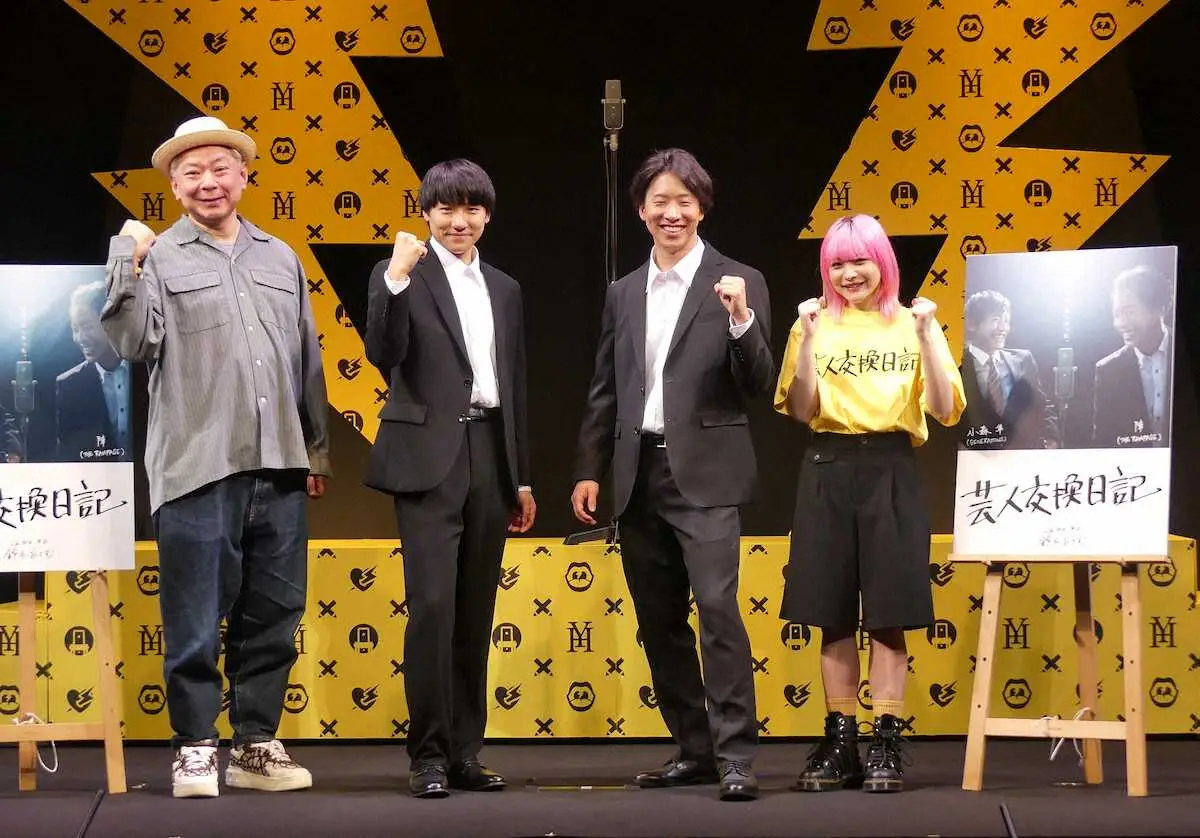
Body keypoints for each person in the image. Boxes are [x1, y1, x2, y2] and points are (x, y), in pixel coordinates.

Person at [101, 116, 330, 799]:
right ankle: (195, 746)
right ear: (174, 186)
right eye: (192, 172)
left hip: (280, 461)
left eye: (220, 168)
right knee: (195, 619)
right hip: (196, 465)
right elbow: (130, 344)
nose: (209, 182)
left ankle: (255, 744)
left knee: (273, 616)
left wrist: (315, 452)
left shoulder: (280, 257)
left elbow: (308, 361)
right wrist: (125, 259)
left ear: (244, 175)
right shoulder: (158, 257)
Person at [572, 148, 773, 802]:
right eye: (659, 201)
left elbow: (759, 383)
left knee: (717, 611)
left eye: (684, 201)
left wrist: (740, 319)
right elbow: (605, 387)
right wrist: (589, 468)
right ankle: (695, 748)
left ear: (701, 208)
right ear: (641, 210)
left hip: (707, 473)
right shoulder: (624, 291)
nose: (671, 212)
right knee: (659, 621)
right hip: (638, 474)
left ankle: (736, 754)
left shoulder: (739, 280)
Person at [363, 159, 536, 799]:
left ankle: (466, 752)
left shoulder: (505, 287)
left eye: (471, 210)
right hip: (428, 455)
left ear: (486, 215)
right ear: (426, 212)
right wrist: (395, 278)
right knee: (433, 608)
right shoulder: (402, 273)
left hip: (489, 450)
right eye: (445, 209)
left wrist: (521, 479)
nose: (458, 221)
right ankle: (428, 755)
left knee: (474, 609)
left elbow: (514, 384)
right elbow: (382, 352)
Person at [774, 214, 964, 794]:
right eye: (836, 263)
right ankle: (841, 742)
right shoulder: (812, 323)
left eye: (860, 260)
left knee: (887, 614)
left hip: (891, 467)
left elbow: (944, 409)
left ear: (882, 262)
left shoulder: (914, 322)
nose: (849, 273)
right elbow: (802, 408)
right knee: (831, 614)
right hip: (826, 466)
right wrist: (808, 339)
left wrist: (927, 334)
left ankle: (885, 739)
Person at [960, 289, 1058, 450]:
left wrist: (1051, 439)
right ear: (972, 324)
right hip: (974, 456)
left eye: (1006, 321)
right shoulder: (956, 365)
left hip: (1022, 454)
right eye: (995, 320)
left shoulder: (1023, 360)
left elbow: (1041, 405)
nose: (1003, 328)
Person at [1093, 265, 1173, 447]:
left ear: (1160, 309)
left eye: (1130, 312)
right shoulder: (1108, 371)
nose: (1122, 323)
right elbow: (1104, 443)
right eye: (1117, 314)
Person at [56, 280, 132, 461]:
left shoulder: (149, 371)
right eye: (75, 329)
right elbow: (70, 455)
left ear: (111, 322)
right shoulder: (69, 386)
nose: (80, 338)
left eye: (88, 327)